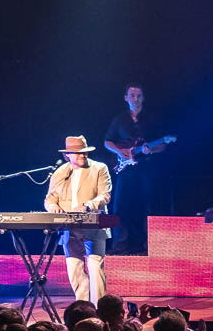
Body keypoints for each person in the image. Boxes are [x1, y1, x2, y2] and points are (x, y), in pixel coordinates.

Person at [44, 134, 112, 304]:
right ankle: (83, 307)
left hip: (94, 225)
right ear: (67, 155)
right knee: (75, 268)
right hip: (69, 228)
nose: (83, 155)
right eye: (78, 152)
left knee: (95, 266)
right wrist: (53, 207)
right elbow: (50, 199)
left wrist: (88, 205)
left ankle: (99, 308)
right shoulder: (60, 172)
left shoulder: (99, 168)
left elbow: (105, 195)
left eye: (85, 151)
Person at [103, 83, 168, 254]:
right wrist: (120, 152)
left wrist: (150, 150)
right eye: (132, 96)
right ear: (126, 98)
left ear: (143, 98)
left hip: (146, 168)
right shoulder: (119, 119)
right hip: (125, 169)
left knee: (148, 205)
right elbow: (107, 141)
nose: (136, 99)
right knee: (120, 205)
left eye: (139, 96)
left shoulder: (152, 118)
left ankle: (149, 243)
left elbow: (162, 145)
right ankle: (120, 243)